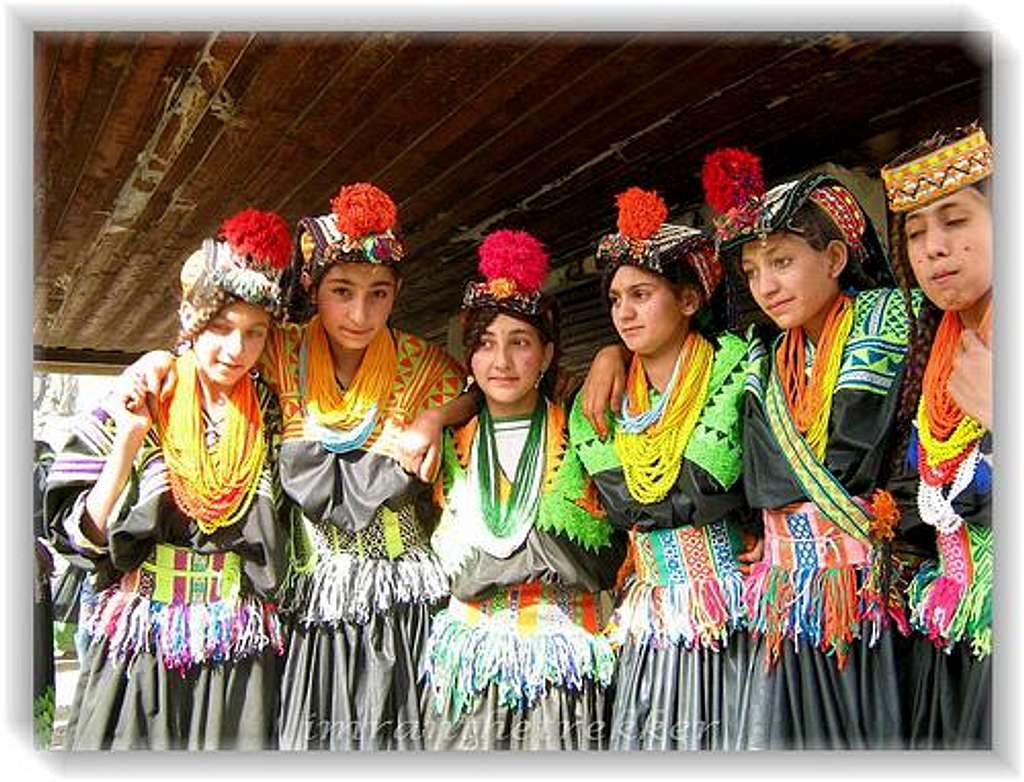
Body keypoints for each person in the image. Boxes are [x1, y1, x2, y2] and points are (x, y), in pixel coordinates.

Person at [44, 209, 294, 749]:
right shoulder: (137, 397)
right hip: (142, 642)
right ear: (190, 319)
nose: (236, 349)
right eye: (221, 328)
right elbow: (78, 538)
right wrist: (132, 438)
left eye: (254, 333)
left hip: (238, 642)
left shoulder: (272, 412)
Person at [700, 148, 913, 749]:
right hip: (785, 594)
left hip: (867, 592)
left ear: (837, 257)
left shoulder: (890, 324)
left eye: (783, 261)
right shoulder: (762, 359)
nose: (765, 286)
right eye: (751, 271)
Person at [422, 229, 624, 749]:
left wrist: (612, 353)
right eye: (485, 345)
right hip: (469, 668)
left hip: (562, 666)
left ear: (547, 352)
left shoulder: (584, 428)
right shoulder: (443, 442)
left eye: (520, 343)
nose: (502, 362)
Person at [568, 187, 753, 750]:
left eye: (642, 294)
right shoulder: (595, 402)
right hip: (648, 616)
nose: (623, 312)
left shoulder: (737, 366)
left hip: (729, 607)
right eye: (617, 298)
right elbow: (628, 506)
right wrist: (608, 356)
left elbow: (703, 485)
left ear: (689, 300)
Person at [880, 122, 993, 749]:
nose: (933, 248)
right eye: (917, 232)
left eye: (954, 220)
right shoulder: (935, 353)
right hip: (956, 642)